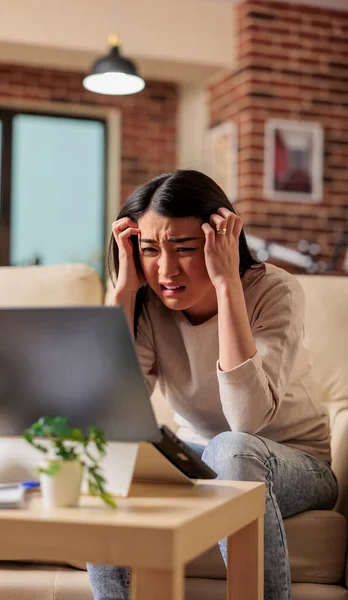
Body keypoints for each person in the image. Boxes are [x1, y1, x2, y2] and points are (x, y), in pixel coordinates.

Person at [87, 169, 337, 600]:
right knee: (107, 460)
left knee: (230, 448)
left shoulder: (276, 291)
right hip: (197, 458)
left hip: (296, 462)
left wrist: (226, 285)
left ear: (219, 239)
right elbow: (110, 416)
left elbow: (247, 420)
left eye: (184, 248)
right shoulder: (148, 305)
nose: (166, 269)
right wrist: (123, 293)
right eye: (149, 250)